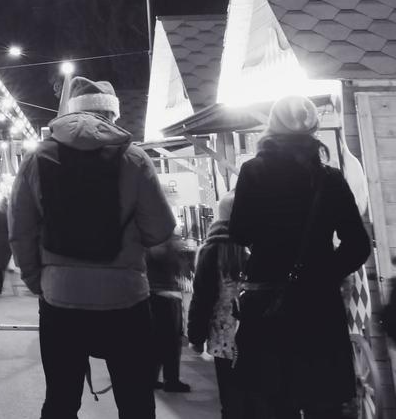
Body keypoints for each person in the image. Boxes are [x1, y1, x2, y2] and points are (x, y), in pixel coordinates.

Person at [9, 75, 176, 419]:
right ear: (113, 116)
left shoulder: (37, 159)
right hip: (125, 298)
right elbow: (159, 229)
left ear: (71, 113)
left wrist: (35, 279)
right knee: (135, 402)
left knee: (61, 399)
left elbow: (21, 230)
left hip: (59, 297)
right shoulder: (134, 159)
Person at [229, 95, 370, 419]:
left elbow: (239, 232)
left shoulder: (252, 172)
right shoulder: (330, 179)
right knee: (323, 400)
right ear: (314, 130)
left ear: (271, 127)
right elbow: (358, 245)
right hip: (318, 305)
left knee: (272, 400)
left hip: (267, 302)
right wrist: (322, 273)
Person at [187, 194, 249, 419]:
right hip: (255, 331)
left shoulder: (211, 250)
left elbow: (202, 298)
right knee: (255, 395)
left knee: (230, 398)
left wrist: (195, 336)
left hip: (223, 336)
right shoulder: (252, 246)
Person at [145, 230, 189, 393]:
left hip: (151, 294)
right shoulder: (165, 243)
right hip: (167, 295)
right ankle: (171, 380)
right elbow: (178, 267)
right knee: (171, 341)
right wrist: (177, 250)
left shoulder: (147, 242)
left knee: (155, 340)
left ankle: (151, 378)